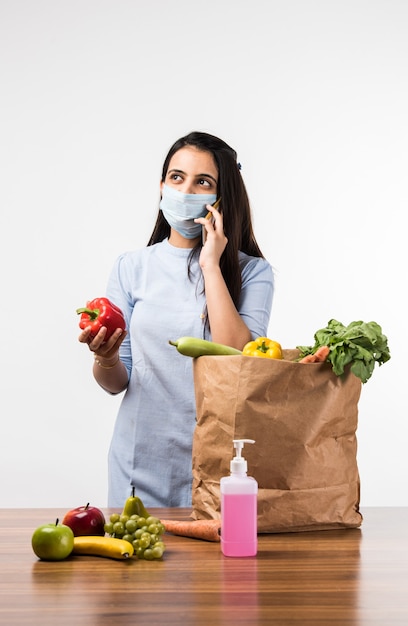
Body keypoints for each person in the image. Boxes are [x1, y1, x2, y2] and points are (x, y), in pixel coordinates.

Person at [79, 131, 274, 508]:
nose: (186, 191)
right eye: (176, 177)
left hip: (218, 463)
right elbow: (115, 384)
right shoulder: (131, 268)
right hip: (138, 463)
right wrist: (105, 358)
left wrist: (211, 266)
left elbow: (241, 361)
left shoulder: (253, 273)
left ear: (222, 196)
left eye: (203, 182)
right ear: (162, 185)